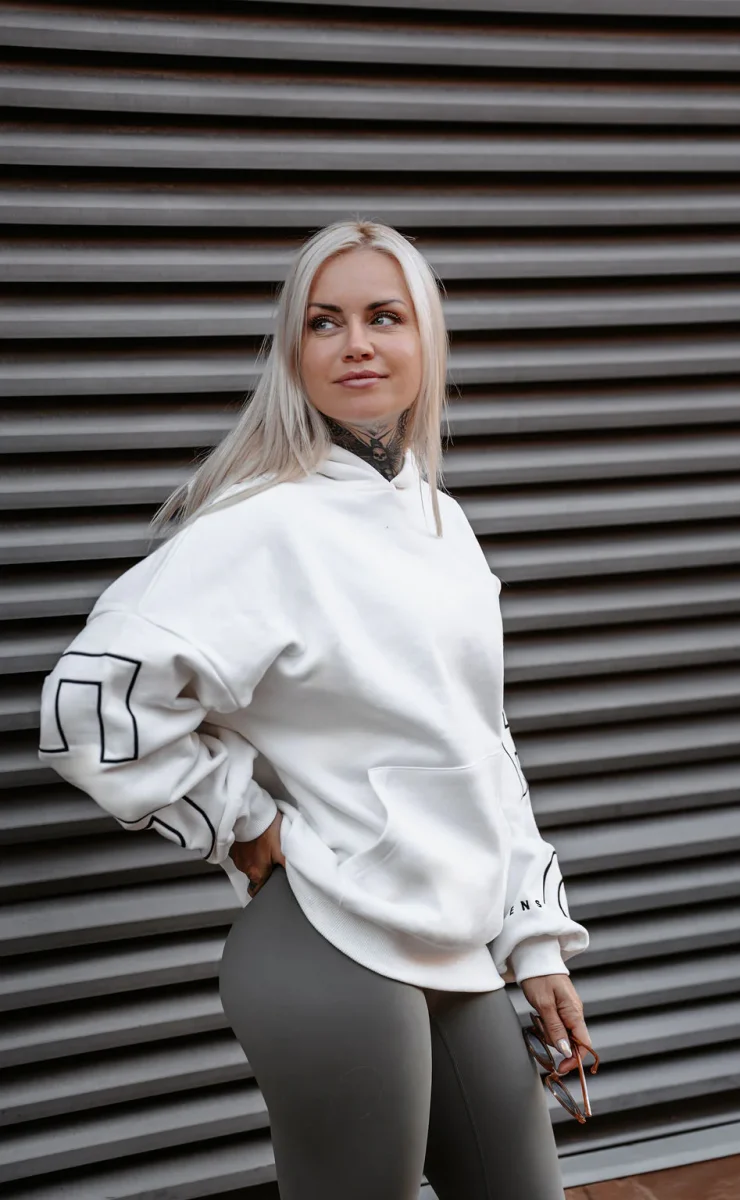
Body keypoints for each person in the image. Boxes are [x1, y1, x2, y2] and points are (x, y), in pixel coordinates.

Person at [38, 220, 592, 1200]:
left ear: (426, 337)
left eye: (385, 317)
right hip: (328, 943)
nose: (356, 344)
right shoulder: (264, 523)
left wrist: (533, 937)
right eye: (324, 322)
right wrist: (242, 822)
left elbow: (479, 741)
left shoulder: (441, 521)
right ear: (293, 350)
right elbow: (90, 703)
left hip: (451, 939)